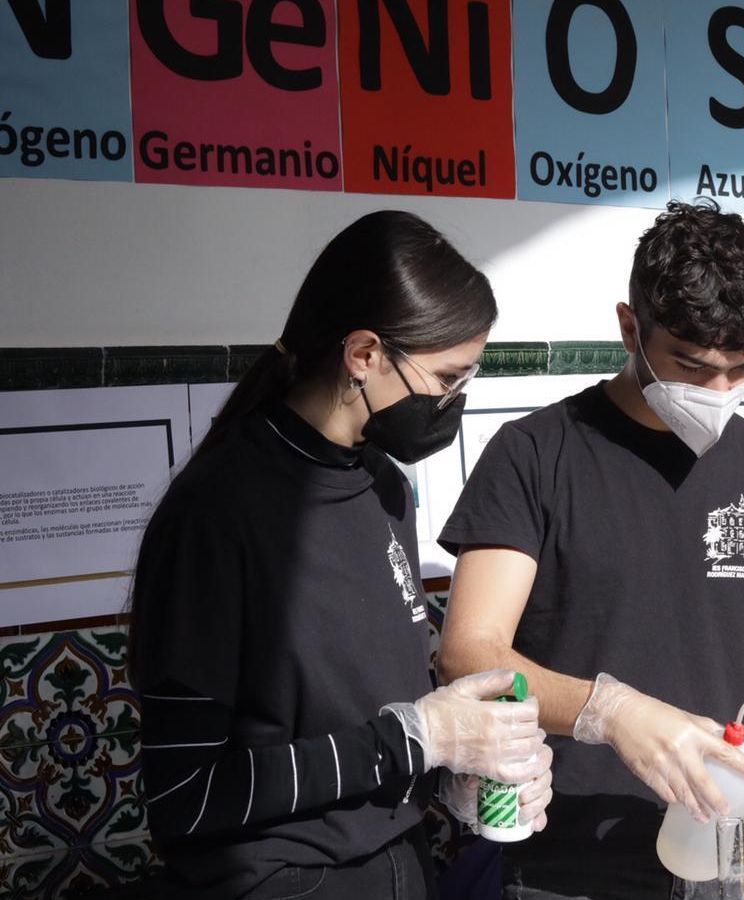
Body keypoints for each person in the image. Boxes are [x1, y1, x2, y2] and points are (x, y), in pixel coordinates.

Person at [435, 200, 744, 900]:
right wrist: (612, 713)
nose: (719, 392)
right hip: (573, 858)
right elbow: (470, 653)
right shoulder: (536, 455)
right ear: (630, 329)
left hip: (736, 849)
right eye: (691, 367)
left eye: (743, 368)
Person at [131, 211, 555, 900]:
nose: (455, 401)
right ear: (363, 354)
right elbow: (185, 793)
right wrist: (415, 739)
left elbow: (378, 714)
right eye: (447, 377)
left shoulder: (384, 485)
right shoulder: (215, 512)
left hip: (403, 868)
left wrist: (462, 770)